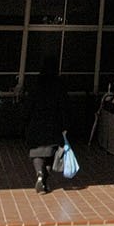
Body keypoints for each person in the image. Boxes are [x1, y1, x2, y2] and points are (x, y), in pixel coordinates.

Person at [20, 57, 68, 194]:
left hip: (36, 123)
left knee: (36, 152)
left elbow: (28, 104)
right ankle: (44, 180)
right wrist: (65, 124)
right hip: (53, 123)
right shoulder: (59, 85)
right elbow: (64, 105)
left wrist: (24, 120)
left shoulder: (36, 84)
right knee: (50, 153)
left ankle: (39, 175)